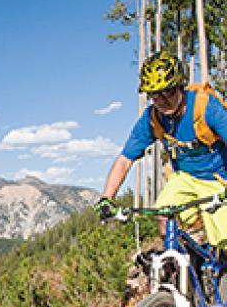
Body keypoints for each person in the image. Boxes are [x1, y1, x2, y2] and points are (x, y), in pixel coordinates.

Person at [97, 51, 227, 244]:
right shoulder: (153, 118)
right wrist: (106, 198)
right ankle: (176, 267)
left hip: (218, 179)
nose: (161, 101)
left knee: (223, 239)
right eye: (154, 95)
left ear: (179, 87)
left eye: (167, 92)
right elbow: (125, 159)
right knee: (164, 216)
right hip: (185, 178)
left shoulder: (205, 107)